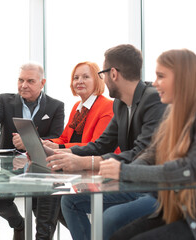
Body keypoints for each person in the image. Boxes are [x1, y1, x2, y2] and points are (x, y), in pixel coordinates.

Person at [46, 44, 167, 240]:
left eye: (101, 73)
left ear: (113, 74)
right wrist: (64, 153)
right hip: (129, 183)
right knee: (70, 201)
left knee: (110, 217)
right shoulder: (120, 103)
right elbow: (101, 144)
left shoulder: (154, 101)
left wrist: (86, 162)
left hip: (154, 189)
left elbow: (141, 152)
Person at [100, 49, 196, 240]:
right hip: (176, 211)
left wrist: (125, 172)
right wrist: (124, 174)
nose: (154, 83)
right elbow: (151, 153)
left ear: (182, 78)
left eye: (161, 76)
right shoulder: (171, 116)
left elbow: (186, 171)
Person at [0, 62, 65, 240]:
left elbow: (57, 137)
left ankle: (42, 235)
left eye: (30, 81)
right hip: (7, 167)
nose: (23, 85)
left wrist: (31, 142)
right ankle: (18, 224)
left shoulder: (56, 106)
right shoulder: (5, 100)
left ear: (42, 83)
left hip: (40, 166)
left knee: (45, 203)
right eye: (20, 80)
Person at [42, 61, 119, 150]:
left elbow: (97, 146)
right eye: (76, 78)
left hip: (98, 162)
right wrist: (47, 143)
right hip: (72, 159)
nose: (79, 81)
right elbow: (65, 139)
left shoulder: (108, 106)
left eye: (86, 77)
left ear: (97, 80)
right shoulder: (77, 106)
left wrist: (59, 147)